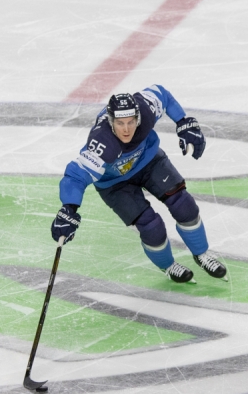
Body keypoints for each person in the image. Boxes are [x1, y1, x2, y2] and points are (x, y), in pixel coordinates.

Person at [51, 85, 227, 283]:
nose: (126, 129)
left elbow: (162, 94)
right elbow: (76, 176)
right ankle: (168, 265)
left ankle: (201, 254)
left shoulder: (145, 108)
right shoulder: (102, 142)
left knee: (183, 204)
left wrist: (183, 121)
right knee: (151, 227)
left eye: (131, 122)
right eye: (120, 123)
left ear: (138, 118)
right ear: (111, 121)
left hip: (148, 161)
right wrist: (69, 207)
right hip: (114, 183)